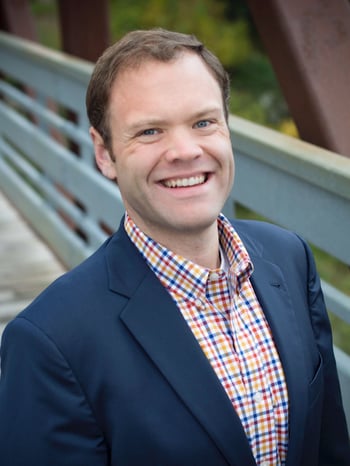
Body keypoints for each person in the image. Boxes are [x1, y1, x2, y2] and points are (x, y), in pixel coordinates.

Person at [0, 28, 349, 466]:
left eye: (203, 122)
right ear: (104, 153)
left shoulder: (289, 259)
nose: (185, 151)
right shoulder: (49, 343)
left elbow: (330, 446)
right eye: (149, 131)